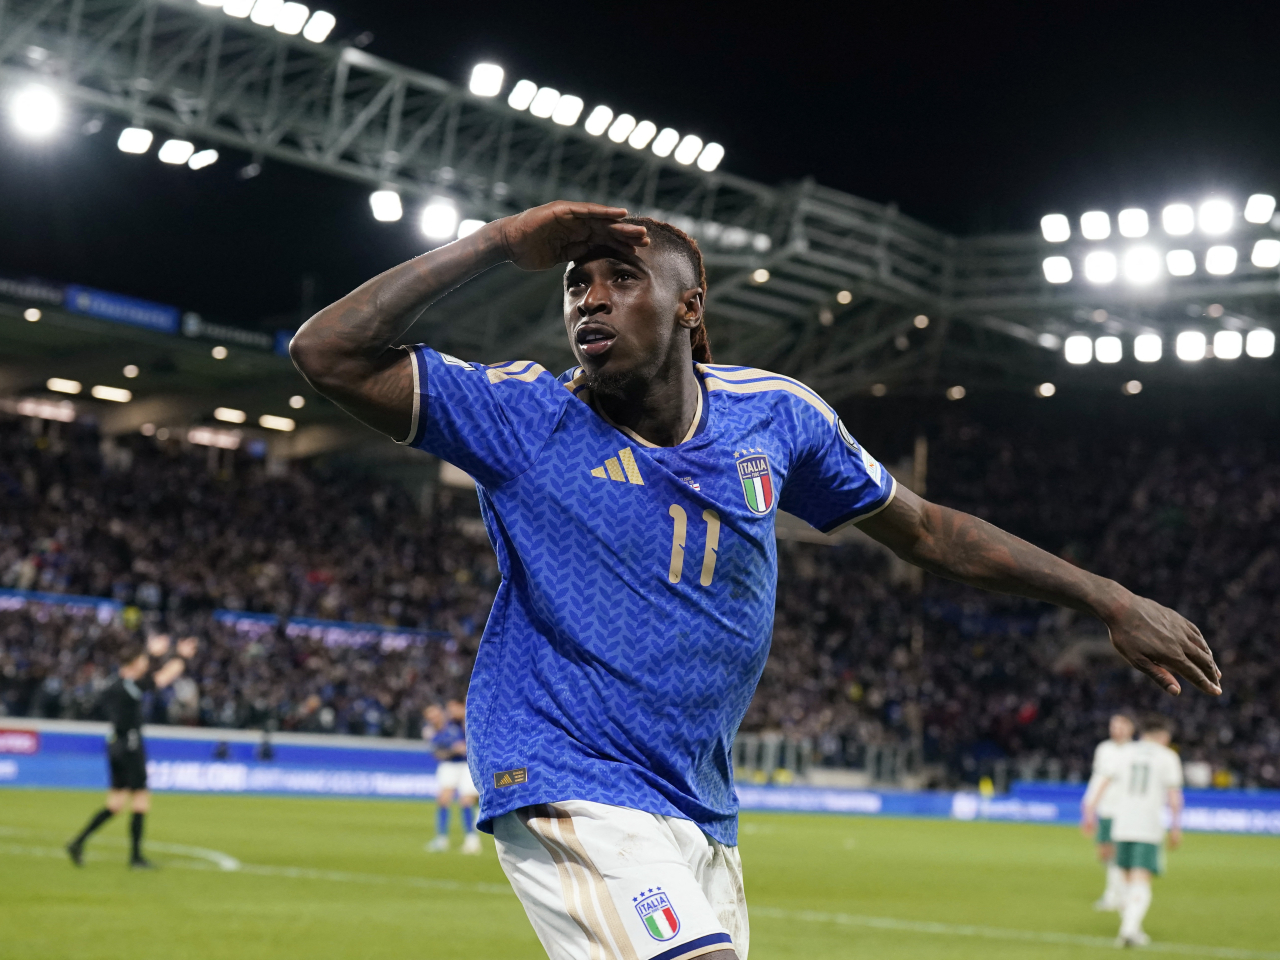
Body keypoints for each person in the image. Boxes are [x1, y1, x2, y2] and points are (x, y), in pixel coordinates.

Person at [290, 200, 1221, 960]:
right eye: (577, 283)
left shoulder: (775, 417)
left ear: (690, 307)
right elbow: (324, 352)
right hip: (568, 775)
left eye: (622, 279)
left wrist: (1108, 595)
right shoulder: (523, 418)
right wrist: (497, 244)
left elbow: (930, 532)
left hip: (698, 802)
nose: (591, 300)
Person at [66, 634, 198, 869]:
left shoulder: (114, 683)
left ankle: (78, 842)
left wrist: (154, 653)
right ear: (136, 662)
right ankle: (136, 857)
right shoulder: (130, 687)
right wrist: (180, 655)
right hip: (130, 746)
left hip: (115, 745)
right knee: (140, 799)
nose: (146, 664)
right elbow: (163, 677)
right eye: (143, 661)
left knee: (115, 804)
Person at [1083, 713, 1184, 947]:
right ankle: (1128, 930)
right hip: (1147, 825)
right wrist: (1176, 826)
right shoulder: (1168, 757)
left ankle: (1132, 928)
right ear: (1164, 736)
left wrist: (1089, 810)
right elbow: (1174, 796)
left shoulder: (1125, 752)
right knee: (1141, 878)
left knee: (1127, 878)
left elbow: (1102, 782)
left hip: (1121, 823)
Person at [1081, 712, 1135, 911]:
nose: (1115, 729)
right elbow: (1097, 778)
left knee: (1120, 854)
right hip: (1105, 808)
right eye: (1113, 725)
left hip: (1125, 810)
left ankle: (1118, 895)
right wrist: (1088, 806)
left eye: (1120, 725)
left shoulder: (1136, 751)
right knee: (1105, 854)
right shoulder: (1103, 749)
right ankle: (1116, 892)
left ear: (1130, 728)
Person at [423, 700, 482, 854]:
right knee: (443, 799)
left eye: (436, 714)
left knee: (465, 800)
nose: (434, 718)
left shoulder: (454, 723)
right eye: (431, 716)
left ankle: (471, 840)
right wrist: (453, 750)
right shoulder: (430, 733)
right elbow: (437, 754)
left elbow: (466, 717)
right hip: (448, 764)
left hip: (465, 765)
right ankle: (442, 839)